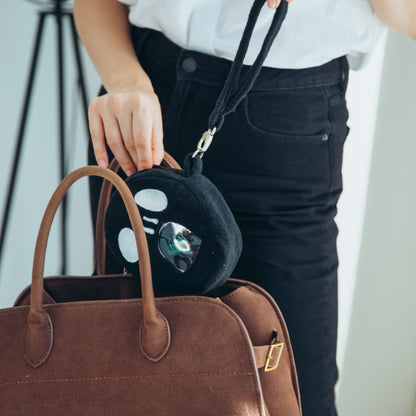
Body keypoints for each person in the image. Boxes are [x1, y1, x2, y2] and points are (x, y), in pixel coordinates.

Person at [73, 1, 416, 414]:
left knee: (294, 392)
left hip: (282, 127)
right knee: (117, 382)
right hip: (139, 101)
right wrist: (124, 80)